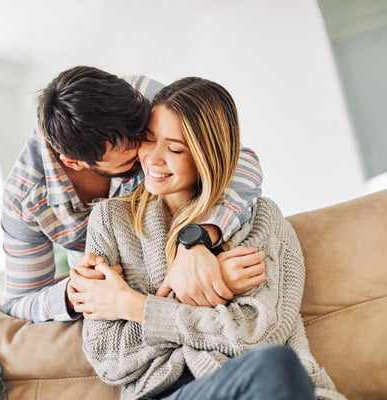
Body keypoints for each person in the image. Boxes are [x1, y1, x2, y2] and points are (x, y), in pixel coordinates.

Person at [72, 78, 346, 399]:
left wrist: (133, 305)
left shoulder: (261, 220)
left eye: (175, 148)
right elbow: (108, 357)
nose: (153, 159)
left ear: (207, 155)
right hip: (165, 395)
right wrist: (210, 297)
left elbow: (259, 334)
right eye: (147, 140)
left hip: (258, 386)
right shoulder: (110, 221)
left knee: (275, 365)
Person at [1, 66, 266, 322]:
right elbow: (18, 302)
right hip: (115, 298)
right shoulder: (24, 199)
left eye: (146, 137)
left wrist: (195, 239)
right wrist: (75, 293)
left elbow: (233, 157)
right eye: (130, 157)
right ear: (74, 163)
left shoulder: (136, 97)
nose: (147, 156)